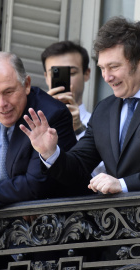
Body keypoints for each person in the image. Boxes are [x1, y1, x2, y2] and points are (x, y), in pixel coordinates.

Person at [20, 17, 140, 195]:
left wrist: (123, 184)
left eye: (114, 67)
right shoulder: (104, 109)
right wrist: (50, 152)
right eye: (102, 68)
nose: (106, 77)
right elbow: (78, 166)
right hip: (114, 221)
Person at [0, 51, 92, 225]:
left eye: (8, 92)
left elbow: (35, 185)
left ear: (27, 84)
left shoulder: (51, 114)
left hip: (52, 236)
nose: (2, 103)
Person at [41, 41, 105, 175]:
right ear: (46, 77)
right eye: (56, 73)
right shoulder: (31, 119)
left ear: (86, 74)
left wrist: (78, 128)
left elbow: (102, 173)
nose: (66, 80)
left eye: (72, 72)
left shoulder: (102, 124)